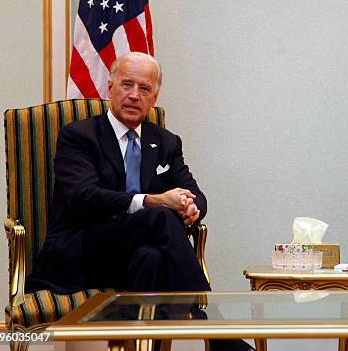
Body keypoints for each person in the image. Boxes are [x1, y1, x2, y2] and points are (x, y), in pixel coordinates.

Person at [28, 52, 253, 351]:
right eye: (127, 85)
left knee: (153, 256)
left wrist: (189, 206)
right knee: (159, 215)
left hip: (134, 258)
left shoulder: (166, 141)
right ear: (110, 88)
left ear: (154, 96)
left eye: (144, 89)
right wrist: (152, 200)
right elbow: (84, 197)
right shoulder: (78, 136)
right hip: (85, 251)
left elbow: (195, 193)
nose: (134, 95)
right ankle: (216, 329)